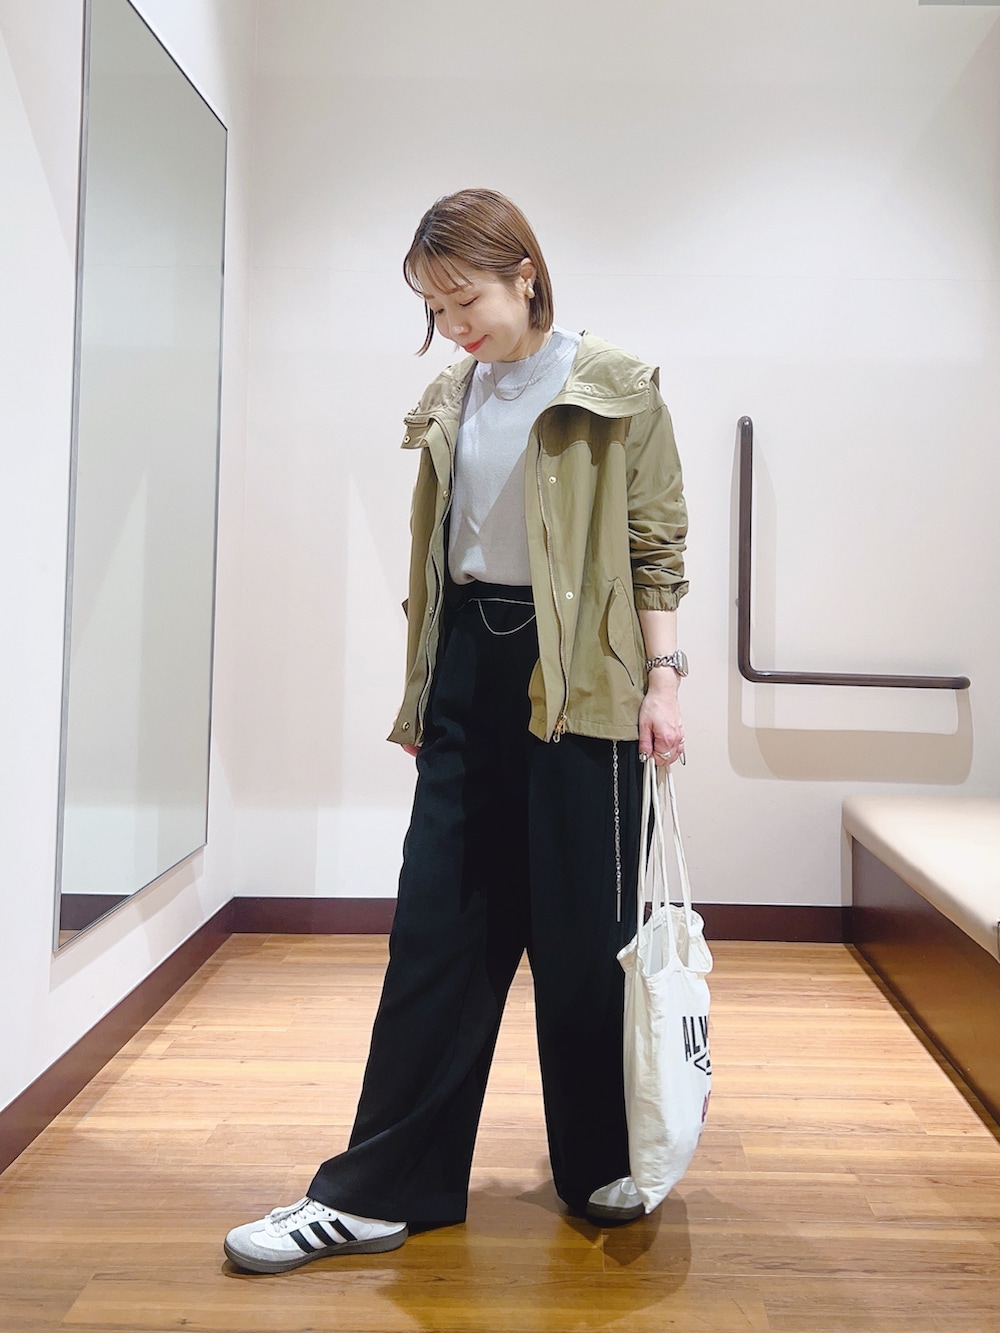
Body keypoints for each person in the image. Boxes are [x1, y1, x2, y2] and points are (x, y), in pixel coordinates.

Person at [224, 189, 688, 1275]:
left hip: (585, 680)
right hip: (470, 670)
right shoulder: (451, 393)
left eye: (464, 298)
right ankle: (382, 1190)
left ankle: (602, 1163)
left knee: (584, 941)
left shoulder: (617, 385)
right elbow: (444, 556)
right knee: (435, 930)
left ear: (526, 273)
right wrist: (427, 690)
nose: (451, 324)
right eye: (433, 307)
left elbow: (654, 548)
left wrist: (664, 682)